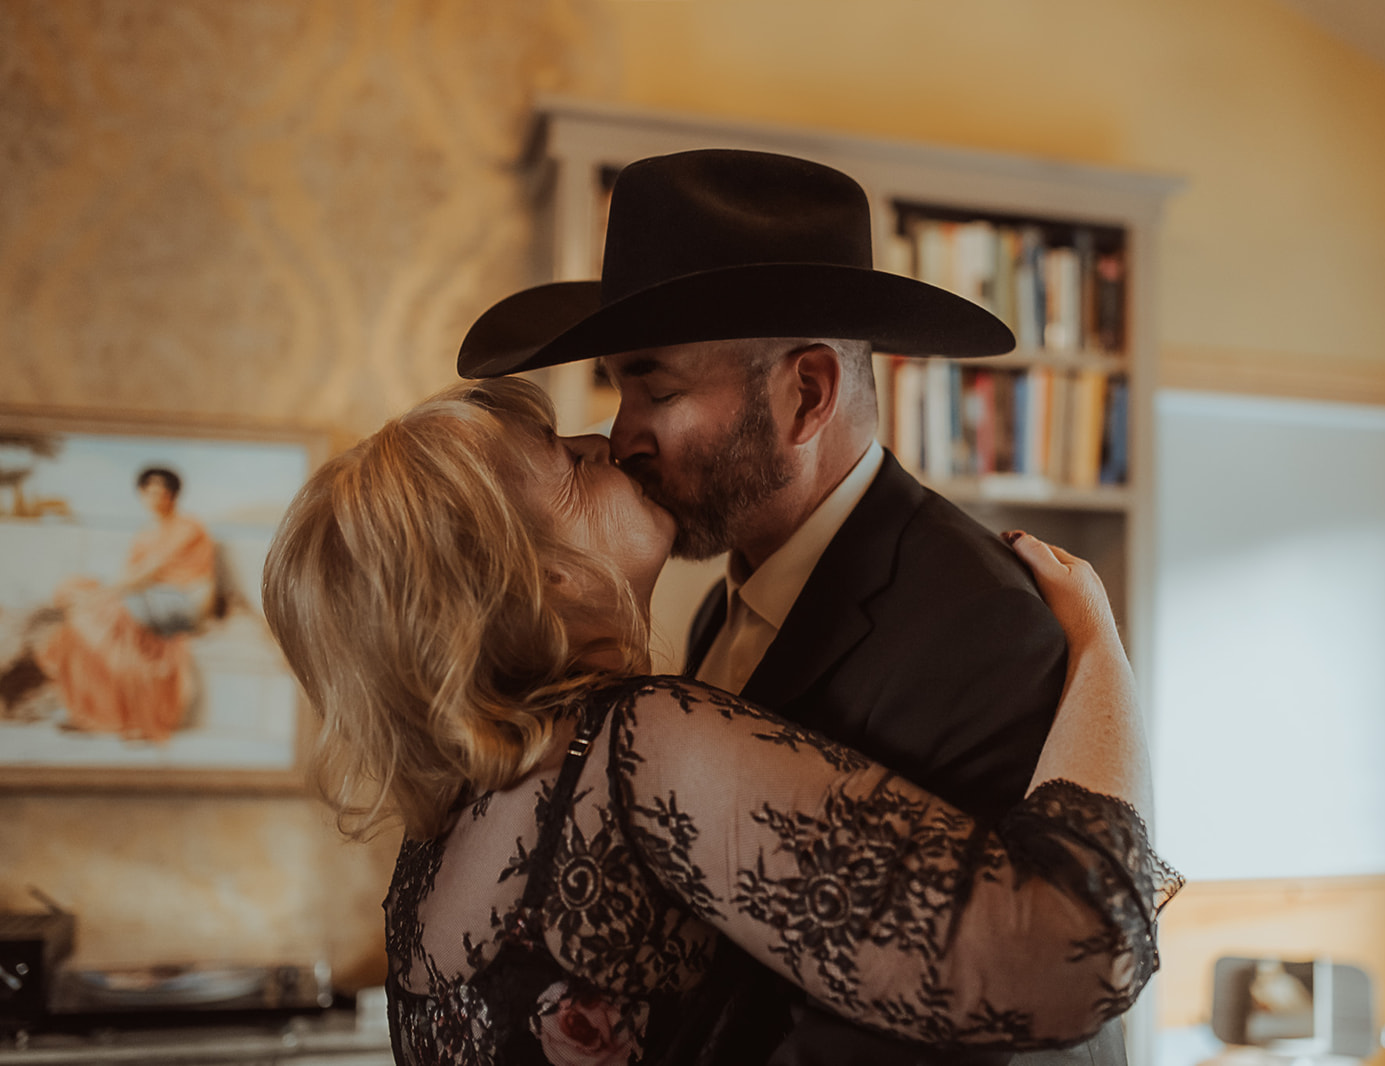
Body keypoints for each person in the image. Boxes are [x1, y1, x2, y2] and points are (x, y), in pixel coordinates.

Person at [260, 376, 1180, 1066]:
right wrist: (1101, 648)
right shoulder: (635, 742)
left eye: (650, 388)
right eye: (567, 462)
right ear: (536, 577)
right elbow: (1077, 951)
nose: (607, 440)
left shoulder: (435, 848)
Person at [457, 148, 1127, 1065]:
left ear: (807, 394)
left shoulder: (980, 624)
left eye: (657, 388)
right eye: (619, 388)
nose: (622, 435)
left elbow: (995, 1006)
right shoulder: (718, 609)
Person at [34, 466, 217, 740]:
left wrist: (101, 594)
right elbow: (130, 574)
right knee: (84, 611)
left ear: (174, 495)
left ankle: (126, 714)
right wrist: (97, 593)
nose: (156, 498)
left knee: (105, 615)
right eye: (149, 492)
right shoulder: (146, 533)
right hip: (149, 598)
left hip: (183, 601)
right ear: (141, 494)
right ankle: (90, 709)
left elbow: (147, 571)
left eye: (163, 492)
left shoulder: (188, 526)